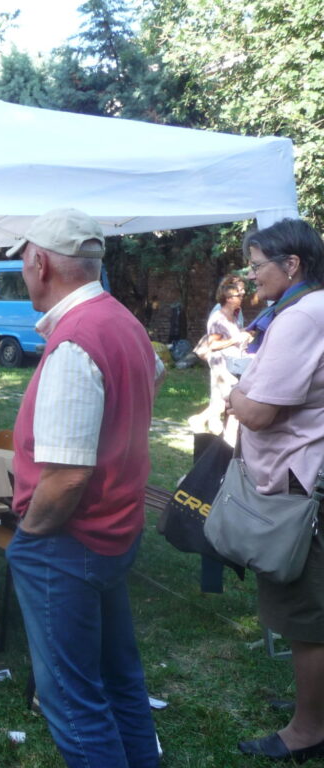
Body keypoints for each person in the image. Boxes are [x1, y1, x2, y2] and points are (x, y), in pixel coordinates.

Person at [5, 208, 161, 768]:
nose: (25, 272)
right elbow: (153, 379)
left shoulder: (76, 339)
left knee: (71, 700)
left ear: (40, 263)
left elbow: (68, 475)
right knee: (119, 678)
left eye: (25, 262)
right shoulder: (122, 320)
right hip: (116, 529)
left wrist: (29, 536)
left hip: (70, 541)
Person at [225, 219, 324, 763]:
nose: (251, 276)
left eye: (257, 265)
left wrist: (235, 394)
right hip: (305, 477)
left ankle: (308, 730)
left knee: (306, 617)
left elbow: (260, 412)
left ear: (292, 265)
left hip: (299, 486)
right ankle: (314, 706)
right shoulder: (310, 309)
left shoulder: (301, 316)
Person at [189, 275, 251, 436]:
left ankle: (222, 433)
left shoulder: (234, 314)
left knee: (224, 400)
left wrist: (245, 334)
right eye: (239, 293)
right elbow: (213, 344)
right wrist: (237, 338)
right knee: (229, 400)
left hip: (232, 363)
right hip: (220, 363)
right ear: (228, 298)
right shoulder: (218, 316)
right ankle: (201, 421)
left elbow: (232, 334)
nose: (243, 295)